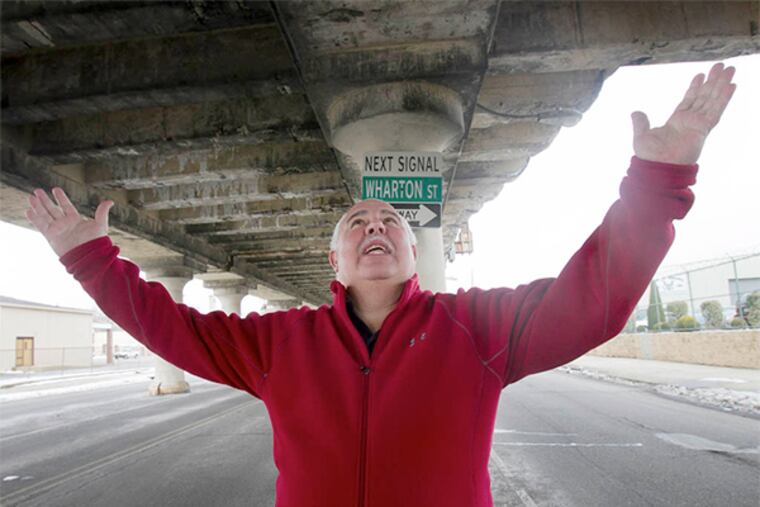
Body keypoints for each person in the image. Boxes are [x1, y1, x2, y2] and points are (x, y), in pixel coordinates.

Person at [25, 63, 736, 507]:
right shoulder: (280, 341)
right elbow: (170, 327)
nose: (375, 226)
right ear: (333, 262)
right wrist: (91, 260)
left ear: (413, 249)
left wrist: (657, 182)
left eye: (390, 220)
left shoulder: (479, 329)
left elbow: (594, 298)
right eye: (357, 221)